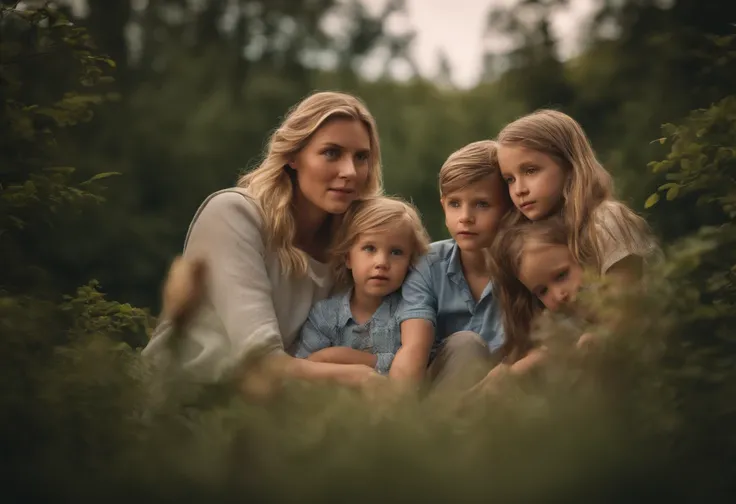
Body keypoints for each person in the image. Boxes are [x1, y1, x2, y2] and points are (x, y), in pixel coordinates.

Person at [142, 91, 385, 396]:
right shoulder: (233, 214)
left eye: (361, 157)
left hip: (268, 423)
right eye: (332, 153)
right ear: (294, 156)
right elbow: (261, 360)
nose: (350, 171)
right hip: (177, 409)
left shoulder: (355, 251)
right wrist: (361, 377)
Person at [388, 140, 512, 392]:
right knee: (466, 345)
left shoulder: (527, 267)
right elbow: (413, 349)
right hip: (442, 400)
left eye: (482, 204)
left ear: (509, 207)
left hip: (506, 396)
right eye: (455, 204)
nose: (465, 216)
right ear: (443, 205)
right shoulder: (427, 264)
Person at [495, 109, 659, 284]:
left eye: (531, 170)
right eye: (510, 179)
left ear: (569, 165)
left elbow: (625, 307)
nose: (519, 189)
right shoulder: (540, 238)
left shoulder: (606, 222)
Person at [295, 196, 430, 375]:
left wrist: (340, 356)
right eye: (370, 248)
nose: (381, 262)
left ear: (410, 262)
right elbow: (304, 368)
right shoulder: (325, 315)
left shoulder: (411, 314)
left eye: (396, 252)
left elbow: (419, 366)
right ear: (348, 257)